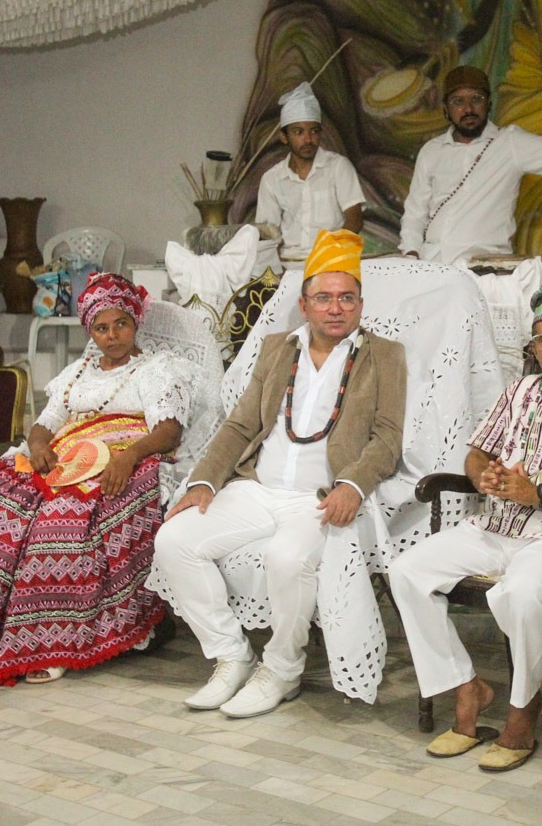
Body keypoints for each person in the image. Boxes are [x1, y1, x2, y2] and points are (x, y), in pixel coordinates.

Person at [389, 279, 542, 772]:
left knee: (521, 596)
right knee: (406, 572)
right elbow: (477, 450)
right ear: (534, 348)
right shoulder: (520, 391)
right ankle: (468, 687)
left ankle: (523, 707)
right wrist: (481, 474)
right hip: (495, 527)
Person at [153, 228, 406, 718]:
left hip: (317, 499)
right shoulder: (275, 348)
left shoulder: (384, 355)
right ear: (305, 303)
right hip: (256, 488)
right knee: (174, 540)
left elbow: (388, 436)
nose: (336, 308)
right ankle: (231, 655)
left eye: (347, 298)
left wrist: (353, 484)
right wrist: (204, 480)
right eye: (325, 298)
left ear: (359, 304)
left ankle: (283, 668)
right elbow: (242, 423)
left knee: (287, 559)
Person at [0, 274, 195, 686]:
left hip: (126, 459)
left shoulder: (157, 370)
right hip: (67, 459)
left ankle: (55, 644)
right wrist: (38, 447)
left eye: (121, 324)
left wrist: (128, 457)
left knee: (60, 523)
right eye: (101, 328)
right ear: (90, 330)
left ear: (135, 322)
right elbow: (45, 424)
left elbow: (168, 432)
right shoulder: (77, 372)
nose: (112, 336)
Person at [397, 65, 542, 265]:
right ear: (446, 110)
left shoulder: (509, 143)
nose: (468, 109)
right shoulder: (432, 151)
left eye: (476, 99)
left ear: (489, 104)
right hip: (431, 262)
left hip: (483, 266)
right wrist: (410, 254)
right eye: (458, 101)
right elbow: (415, 212)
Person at [255, 81, 366, 259]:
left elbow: (355, 219)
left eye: (314, 131)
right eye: (298, 132)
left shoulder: (338, 167)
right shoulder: (272, 179)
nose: (308, 139)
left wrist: (328, 255)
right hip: (288, 264)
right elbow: (267, 235)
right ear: (284, 137)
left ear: (320, 133)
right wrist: (276, 272)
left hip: (332, 261)